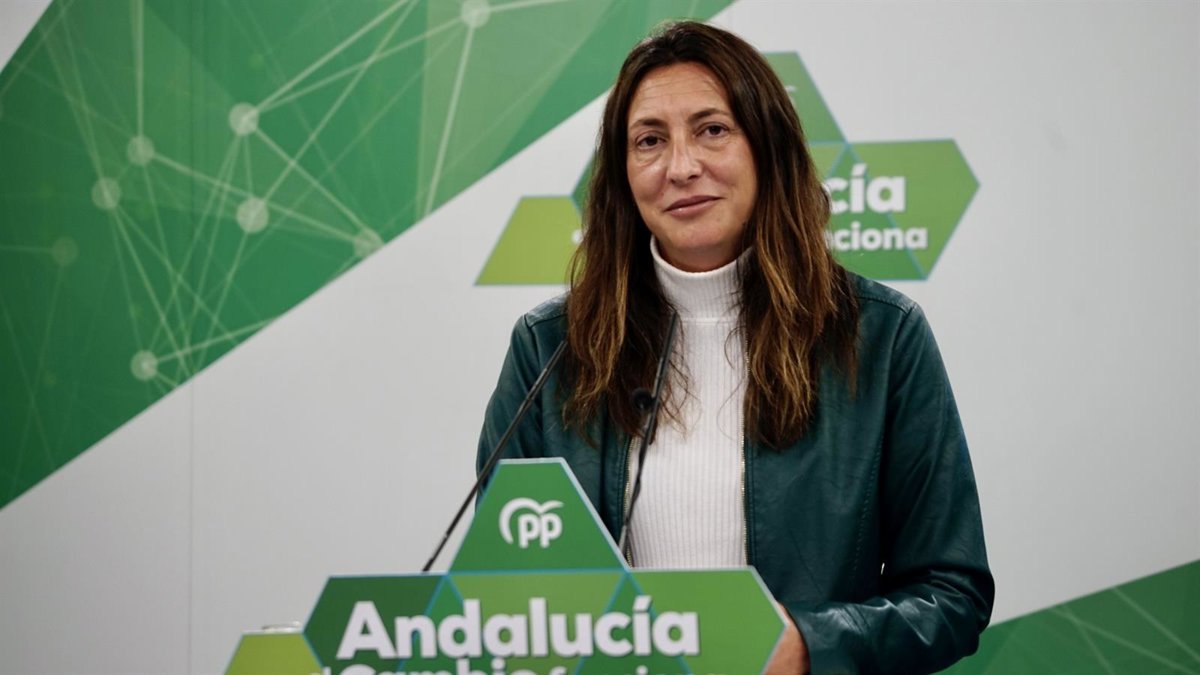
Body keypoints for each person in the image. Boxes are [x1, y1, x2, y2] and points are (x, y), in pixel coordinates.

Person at [477, 20, 993, 675]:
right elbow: (502, 592)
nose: (681, 167)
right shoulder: (550, 347)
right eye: (649, 140)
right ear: (622, 174)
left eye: (713, 129)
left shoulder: (881, 336)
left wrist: (810, 644)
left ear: (767, 147)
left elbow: (951, 593)